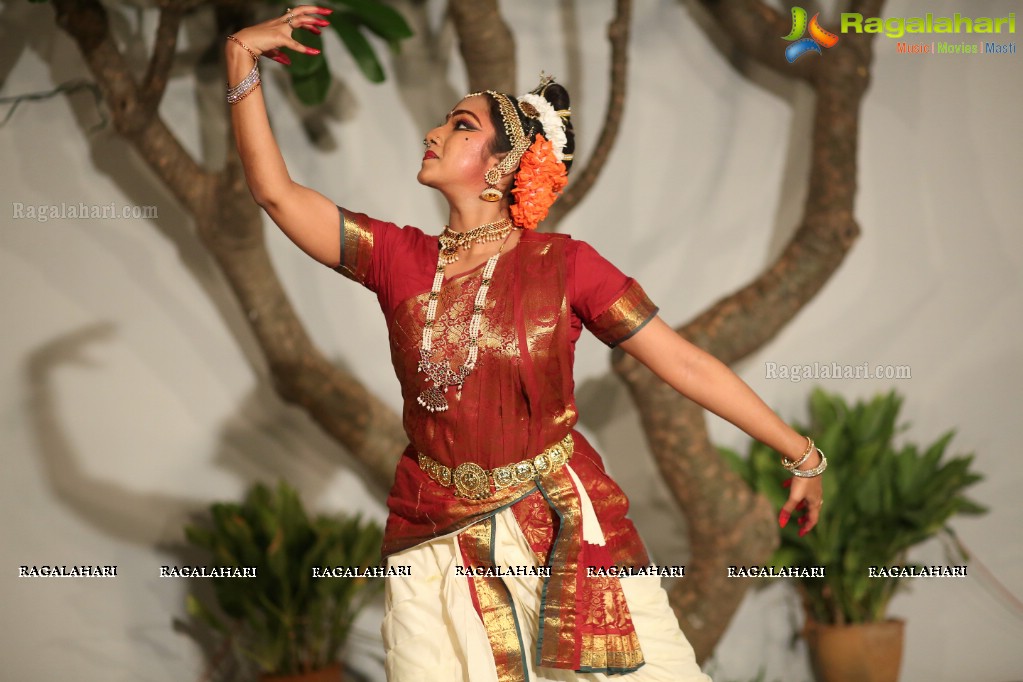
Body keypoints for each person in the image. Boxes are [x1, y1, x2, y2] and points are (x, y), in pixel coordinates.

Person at [225, 6, 827, 681]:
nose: (432, 131)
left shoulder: (566, 265)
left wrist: (799, 453)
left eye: (460, 126)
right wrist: (241, 60)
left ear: (508, 161)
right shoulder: (397, 257)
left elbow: (681, 361)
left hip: (556, 522)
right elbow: (275, 196)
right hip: (435, 532)